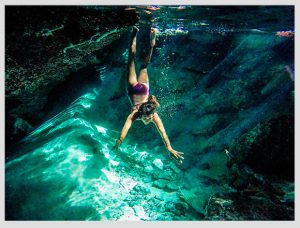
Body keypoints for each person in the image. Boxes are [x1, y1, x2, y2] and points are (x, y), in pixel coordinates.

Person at [113, 26, 184, 165]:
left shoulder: (147, 113)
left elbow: (163, 134)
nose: (148, 119)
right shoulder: (139, 114)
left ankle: (147, 41)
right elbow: (125, 129)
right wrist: (119, 142)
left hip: (143, 89)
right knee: (134, 61)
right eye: (148, 117)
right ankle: (146, 40)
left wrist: (169, 148)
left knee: (139, 63)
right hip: (135, 88)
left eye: (148, 117)